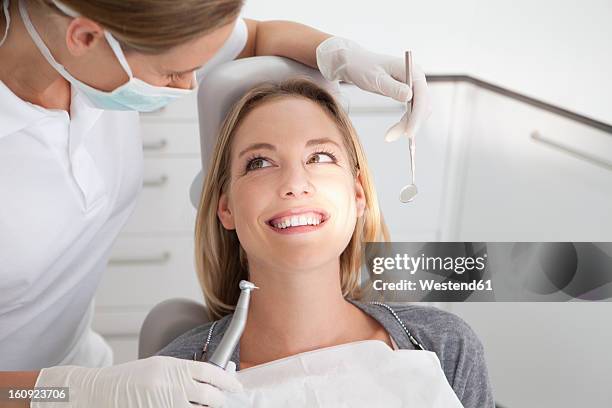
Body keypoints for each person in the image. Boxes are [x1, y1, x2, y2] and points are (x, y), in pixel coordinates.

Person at [0, 0, 431, 406]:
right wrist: (73, 393)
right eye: (173, 73)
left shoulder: (439, 342)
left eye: (319, 157)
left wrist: (337, 54)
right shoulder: (189, 356)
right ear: (85, 38)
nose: (190, 86)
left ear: (359, 192)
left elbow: (257, 37)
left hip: (83, 364)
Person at [158, 78, 494, 408]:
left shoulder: (447, 345)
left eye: (319, 157)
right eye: (259, 162)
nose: (295, 184)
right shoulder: (176, 377)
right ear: (226, 208)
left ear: (358, 194)